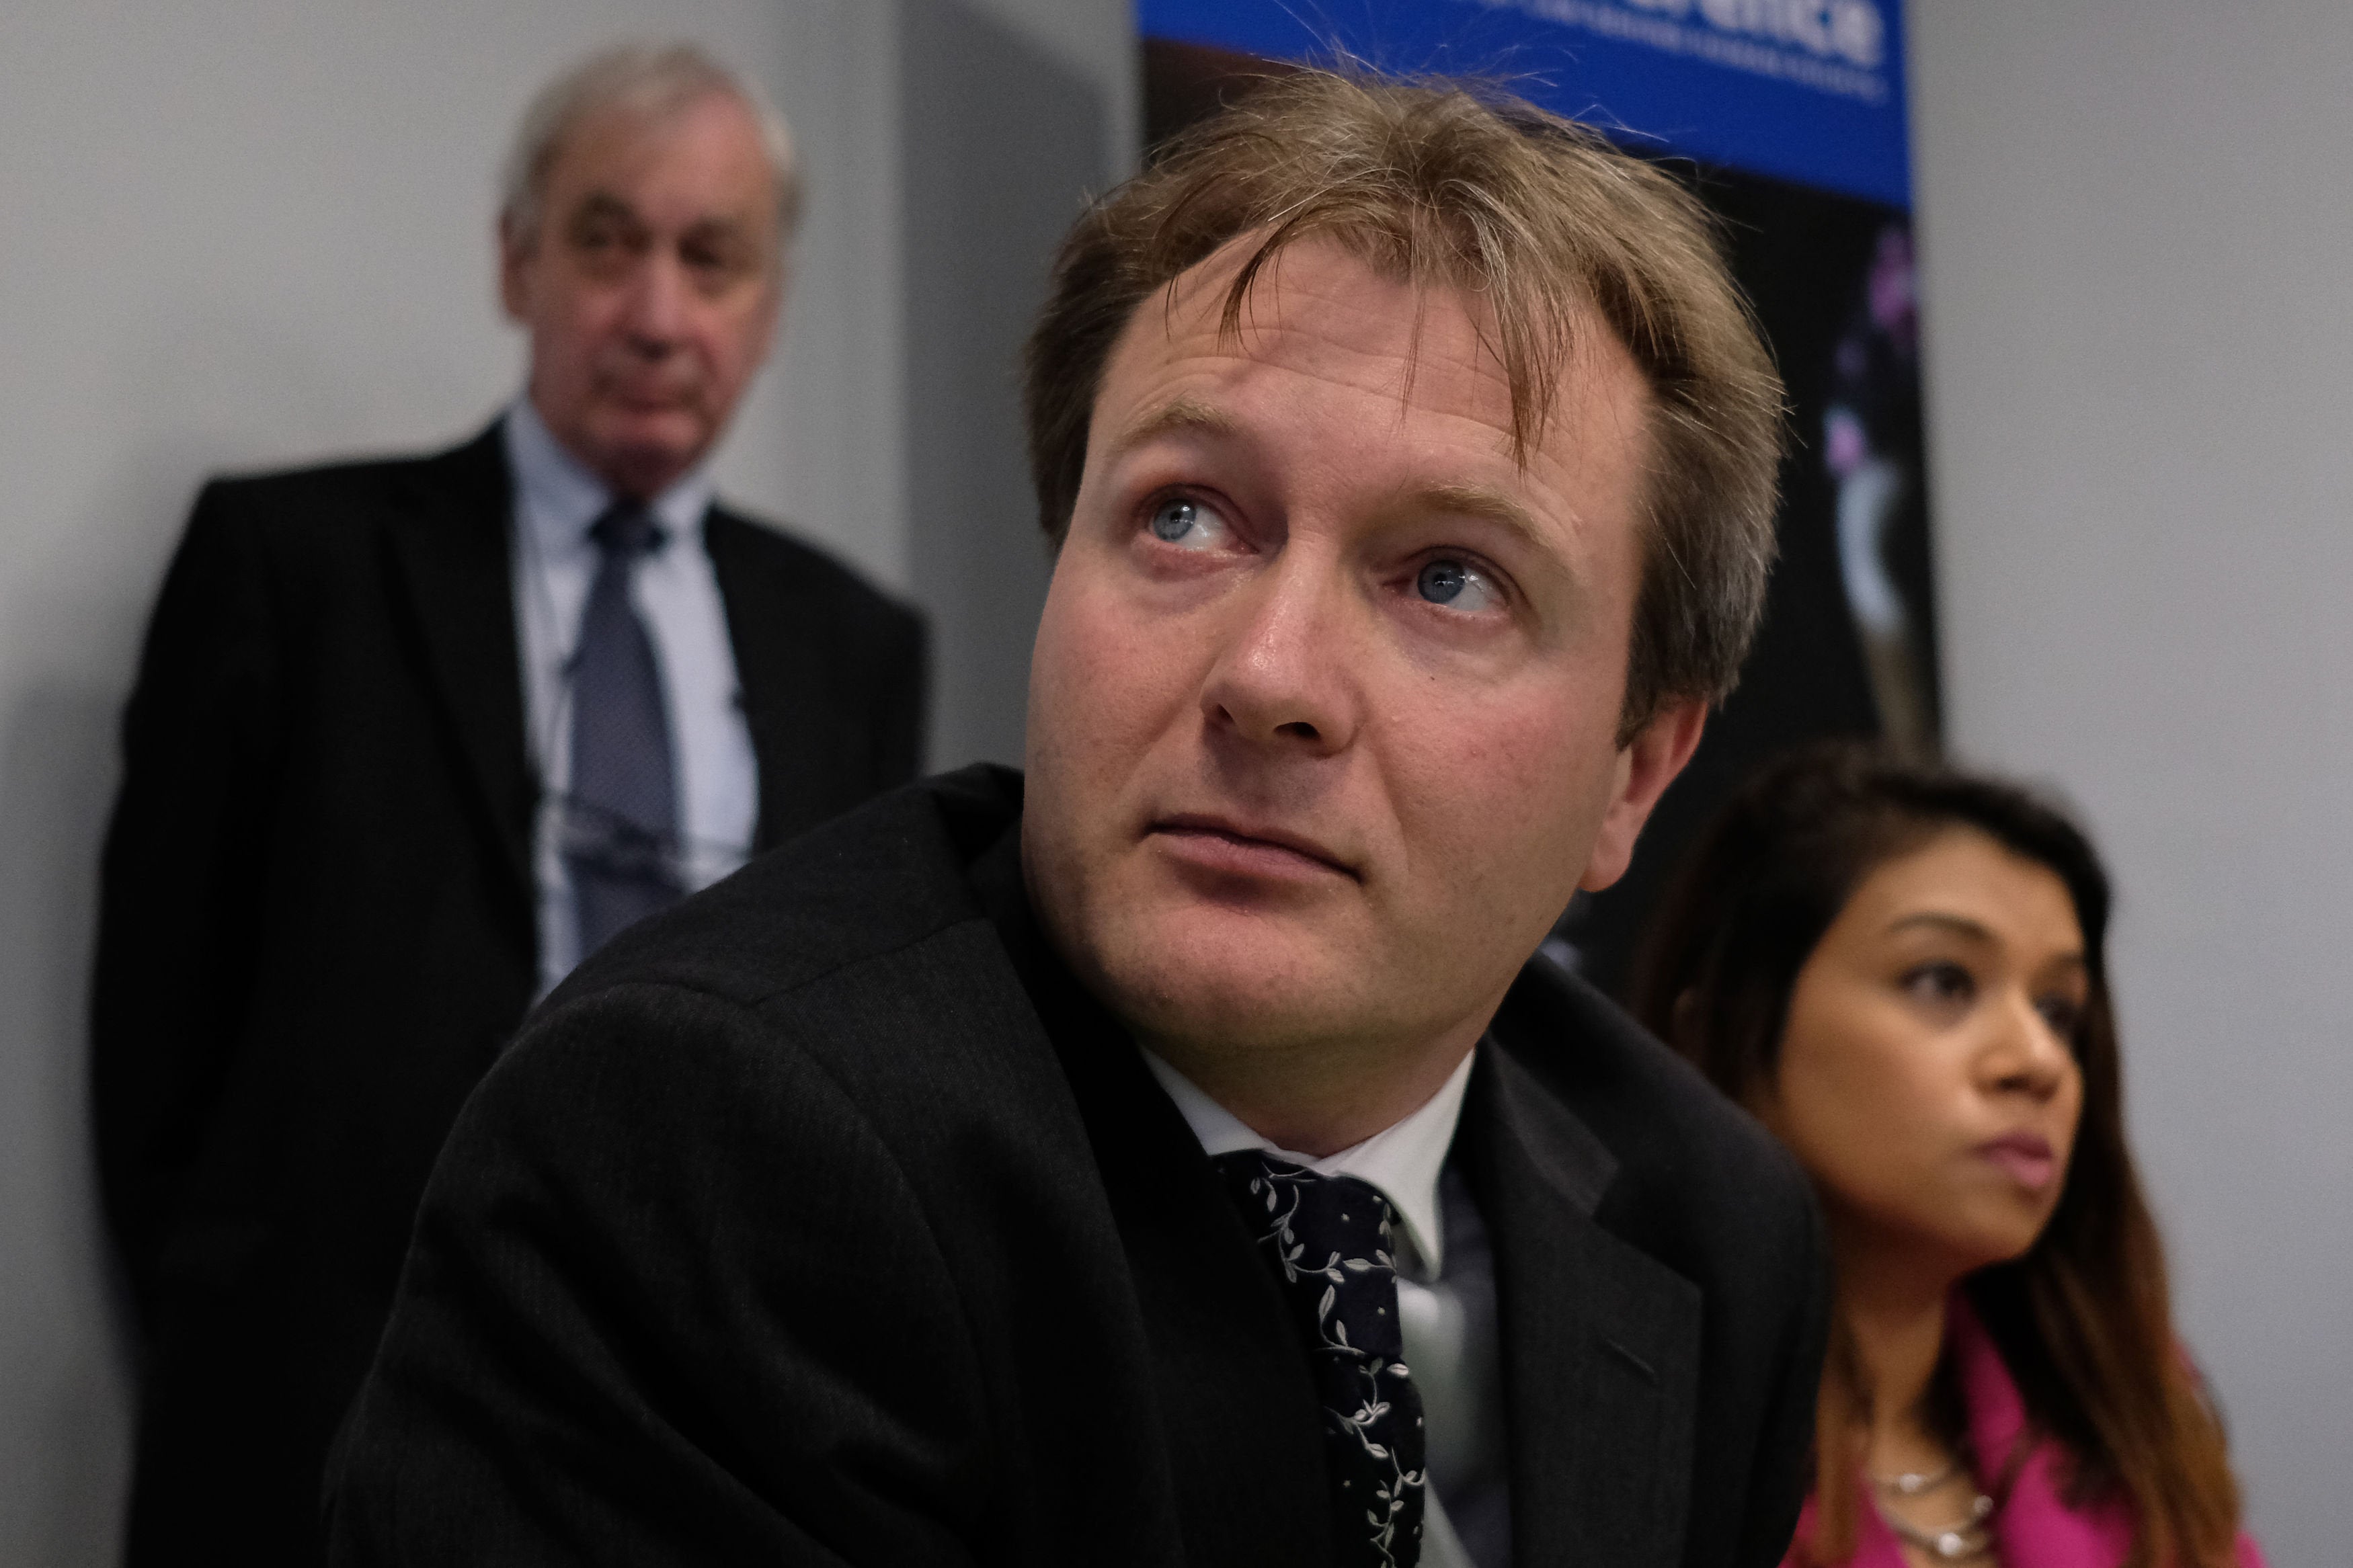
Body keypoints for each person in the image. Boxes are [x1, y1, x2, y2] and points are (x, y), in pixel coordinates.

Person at [329, 70, 1826, 1568]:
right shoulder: (706, 1136)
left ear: (1635, 769)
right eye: (1184, 515)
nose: (1267, 675)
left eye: (1449, 576)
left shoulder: (1711, 1223)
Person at [91, 43, 926, 1567]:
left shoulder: (856, 647)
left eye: (713, 257)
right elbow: (153, 1047)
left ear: (771, 303)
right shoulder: (293, 569)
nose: (660, 314)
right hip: (312, 1424)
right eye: (608, 241)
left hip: (717, 1440)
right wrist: (222, 1361)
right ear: (517, 260)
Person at [1631, 743, 2264, 1567]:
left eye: (2058, 1010)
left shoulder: (2129, 1418)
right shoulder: (1616, 1427)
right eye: (1941, 980)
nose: (2036, 1059)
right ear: (1721, 1027)